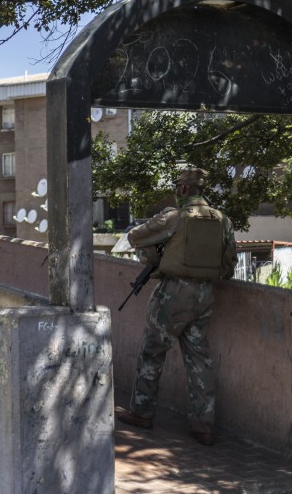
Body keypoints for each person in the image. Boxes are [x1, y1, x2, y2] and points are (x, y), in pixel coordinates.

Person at [117, 166, 237, 446]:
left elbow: (135, 237)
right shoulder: (223, 220)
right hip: (206, 293)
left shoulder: (175, 216)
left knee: (152, 350)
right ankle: (203, 426)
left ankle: (142, 412)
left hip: (175, 292)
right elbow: (230, 262)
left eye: (177, 186)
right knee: (199, 358)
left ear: (183, 189)